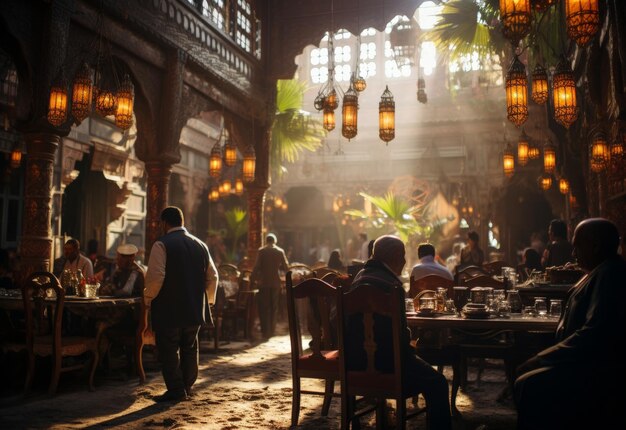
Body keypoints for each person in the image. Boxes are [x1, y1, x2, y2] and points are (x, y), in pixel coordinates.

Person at [514, 218, 626, 430]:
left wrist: (542, 358)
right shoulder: (598, 272)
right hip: (578, 361)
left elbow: (593, 333)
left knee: (527, 384)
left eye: (577, 246)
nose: (573, 254)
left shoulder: (609, 274)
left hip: (592, 369)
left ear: (595, 246)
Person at [348, 235, 452, 430]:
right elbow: (402, 339)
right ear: (395, 256)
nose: (405, 261)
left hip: (355, 361)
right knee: (438, 382)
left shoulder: (358, 279)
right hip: (389, 363)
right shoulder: (392, 286)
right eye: (403, 255)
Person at [144, 206, 219, 403]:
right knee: (189, 347)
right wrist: (207, 301)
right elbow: (213, 277)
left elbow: (156, 278)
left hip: (169, 308)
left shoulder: (161, 244)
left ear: (164, 223)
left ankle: (176, 390)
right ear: (182, 221)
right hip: (194, 309)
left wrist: (148, 298)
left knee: (168, 349)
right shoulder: (200, 245)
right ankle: (187, 386)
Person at [250, 233, 289, 339]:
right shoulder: (280, 251)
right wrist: (288, 279)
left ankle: (265, 330)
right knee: (274, 307)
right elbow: (286, 267)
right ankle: (272, 330)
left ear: (266, 241)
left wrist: (252, 279)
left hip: (263, 282)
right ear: (275, 241)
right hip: (276, 282)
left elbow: (257, 266)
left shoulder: (262, 251)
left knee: (264, 307)